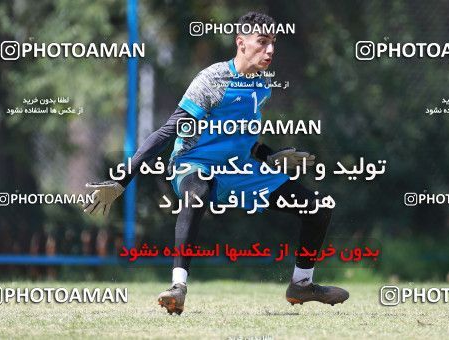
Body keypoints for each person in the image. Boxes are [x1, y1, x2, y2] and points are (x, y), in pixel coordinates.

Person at [83, 11, 349, 315]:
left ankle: (302, 284)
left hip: (238, 170)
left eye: (273, 42)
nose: (270, 50)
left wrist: (271, 157)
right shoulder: (213, 80)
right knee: (196, 193)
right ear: (241, 43)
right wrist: (121, 180)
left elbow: (247, 141)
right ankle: (178, 287)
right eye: (262, 42)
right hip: (193, 164)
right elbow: (168, 131)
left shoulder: (262, 85)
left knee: (318, 207)